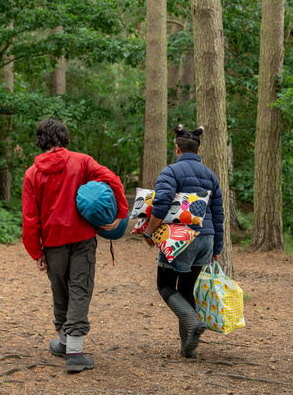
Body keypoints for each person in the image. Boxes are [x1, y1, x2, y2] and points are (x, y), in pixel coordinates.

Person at [22, 118, 128, 373]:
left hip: (51, 243)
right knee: (80, 289)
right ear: (64, 137)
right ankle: (74, 351)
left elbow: (30, 218)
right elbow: (112, 180)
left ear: (40, 141)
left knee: (60, 289)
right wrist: (120, 213)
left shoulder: (32, 173)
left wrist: (36, 251)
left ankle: (64, 341)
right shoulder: (81, 161)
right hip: (82, 239)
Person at [143, 125, 224, 358]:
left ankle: (193, 322)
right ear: (199, 151)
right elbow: (218, 215)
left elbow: (161, 205)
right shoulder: (211, 176)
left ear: (177, 149)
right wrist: (216, 248)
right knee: (187, 289)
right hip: (206, 239)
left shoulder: (171, 172)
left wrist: (149, 233)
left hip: (181, 239)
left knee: (165, 285)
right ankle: (188, 347)